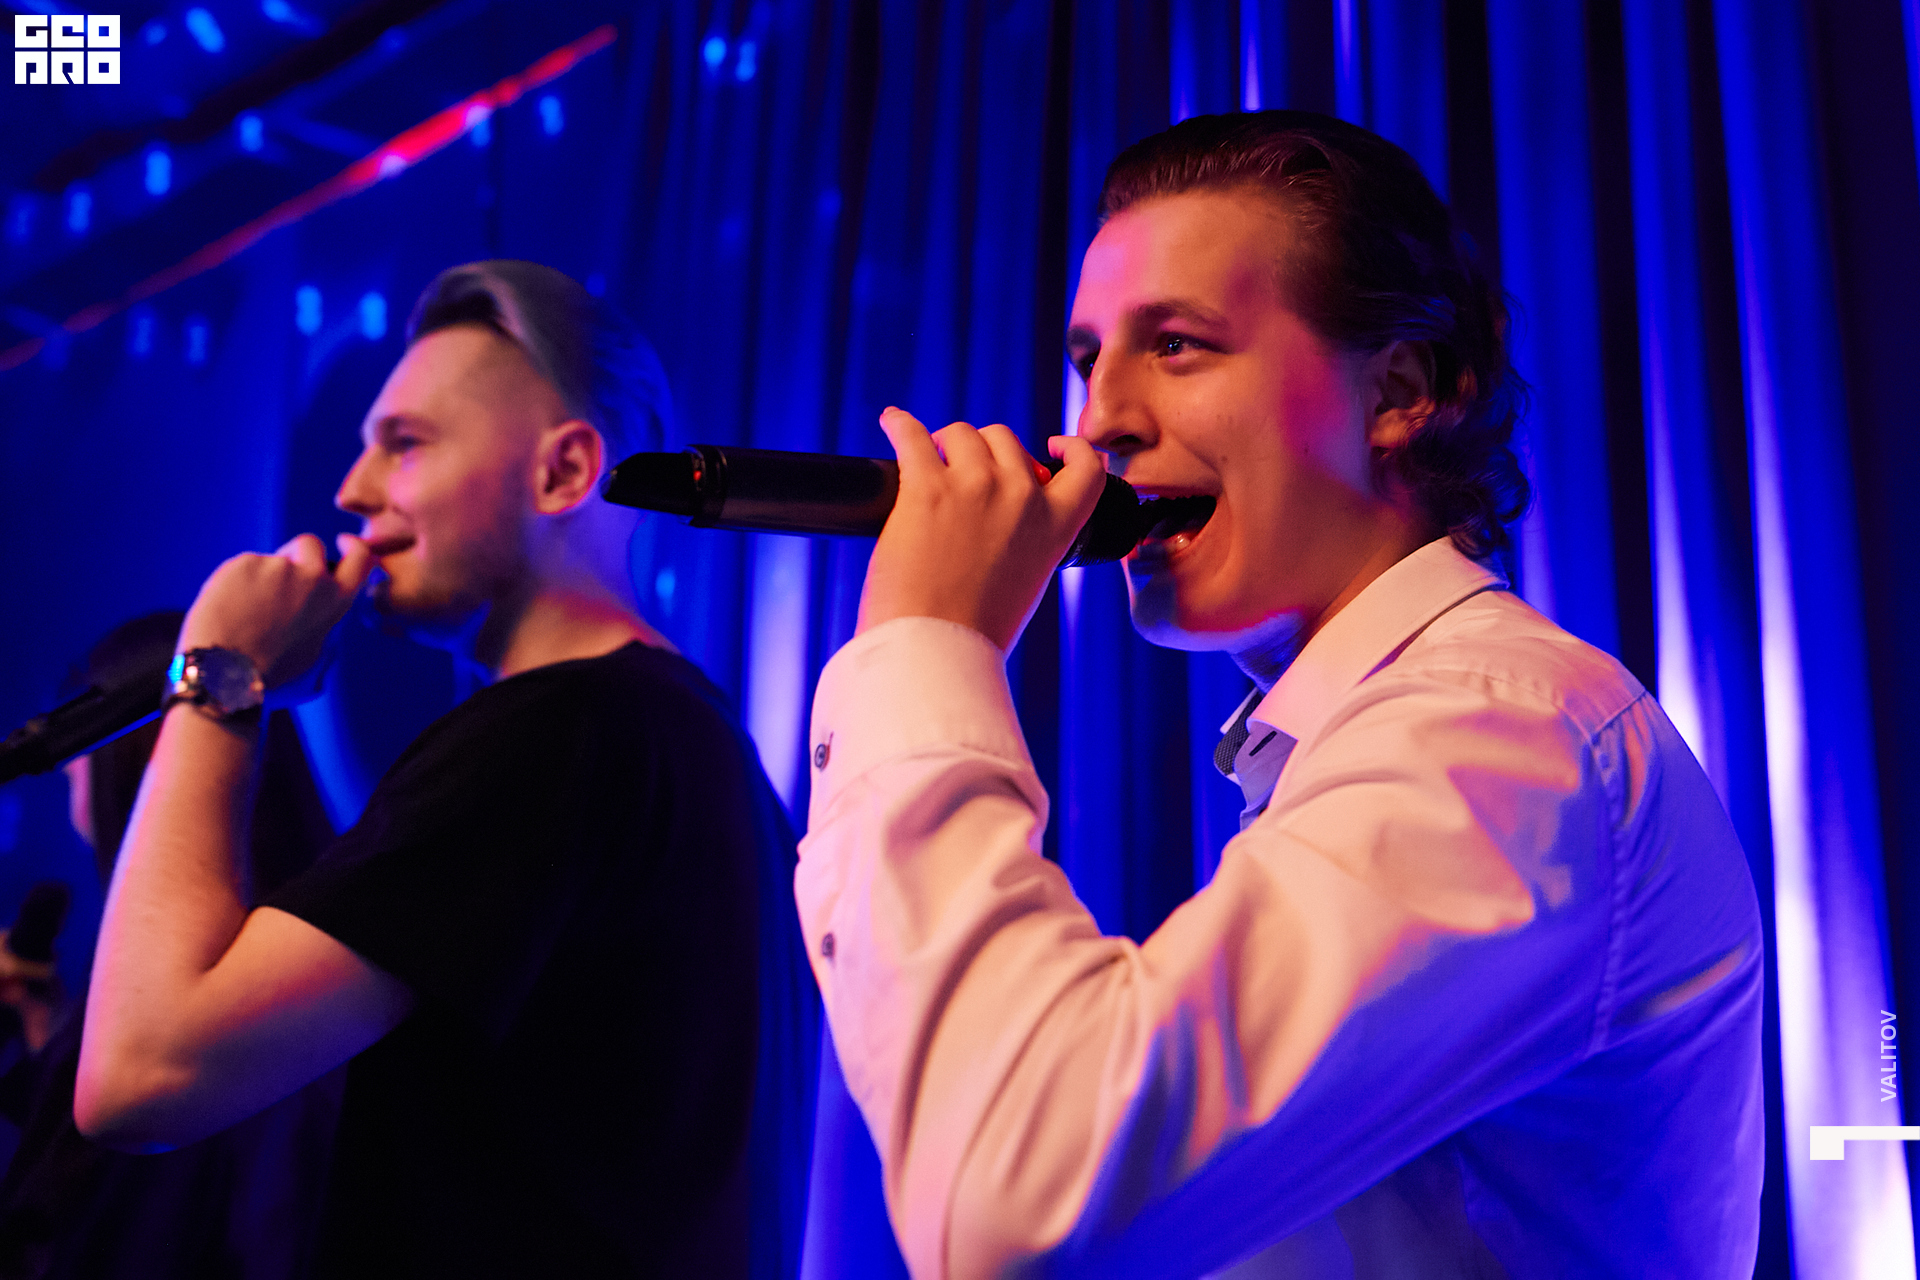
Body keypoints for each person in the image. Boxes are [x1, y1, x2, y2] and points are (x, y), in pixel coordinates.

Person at [797, 112, 1763, 1277]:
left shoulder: (1502, 731)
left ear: (1397, 391)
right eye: (1091, 359)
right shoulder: (1380, 731)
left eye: (1179, 344)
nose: (1100, 422)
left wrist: (927, 644)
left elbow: (1020, 1191)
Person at [76, 262, 812, 1277]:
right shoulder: (705, 749)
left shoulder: (554, 732)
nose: (352, 490)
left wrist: (220, 678)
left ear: (564, 472)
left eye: (404, 443)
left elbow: (141, 1070)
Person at [0, 610, 341, 1280]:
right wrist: (49, 1032)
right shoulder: (315, 960)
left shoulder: (218, 1012)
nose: (68, 785)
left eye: (74, 766)